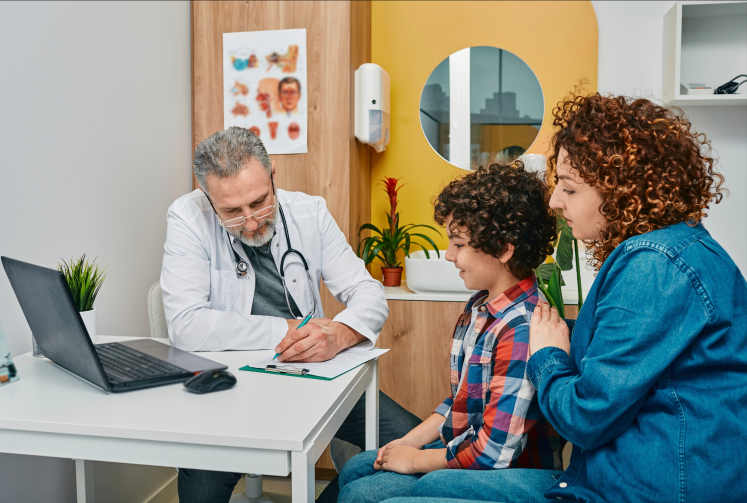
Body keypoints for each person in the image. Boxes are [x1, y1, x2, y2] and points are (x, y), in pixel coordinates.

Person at [380, 93, 747, 503]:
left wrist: (546, 355)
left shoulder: (654, 267)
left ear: (622, 189)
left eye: (569, 189)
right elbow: (627, 359)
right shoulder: (673, 252)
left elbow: (586, 416)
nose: (555, 201)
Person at [161, 126, 420, 503]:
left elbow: (369, 294)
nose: (250, 222)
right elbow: (186, 325)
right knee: (201, 483)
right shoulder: (188, 217)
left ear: (273, 176)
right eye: (232, 212)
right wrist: (288, 329)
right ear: (207, 197)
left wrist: (339, 335)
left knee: (415, 444)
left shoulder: (309, 212)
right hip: (229, 385)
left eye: (259, 202)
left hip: (316, 375)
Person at [336, 162, 564, 503]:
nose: (448, 255)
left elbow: (493, 452)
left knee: (361, 494)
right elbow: (460, 402)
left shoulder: (521, 329)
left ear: (504, 248)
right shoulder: (479, 308)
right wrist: (409, 442)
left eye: (458, 244)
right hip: (465, 450)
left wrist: (415, 460)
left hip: (502, 474)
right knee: (358, 467)